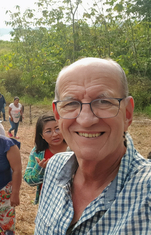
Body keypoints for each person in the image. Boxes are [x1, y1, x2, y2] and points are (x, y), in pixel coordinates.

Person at [34, 58, 151, 234]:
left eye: (103, 102)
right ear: (58, 114)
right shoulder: (54, 167)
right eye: (71, 103)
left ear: (127, 113)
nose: (86, 120)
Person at [23, 115, 68, 204]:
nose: (55, 134)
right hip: (47, 202)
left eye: (57, 128)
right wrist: (40, 169)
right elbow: (29, 180)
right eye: (48, 131)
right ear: (42, 136)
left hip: (70, 200)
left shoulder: (74, 148)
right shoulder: (38, 152)